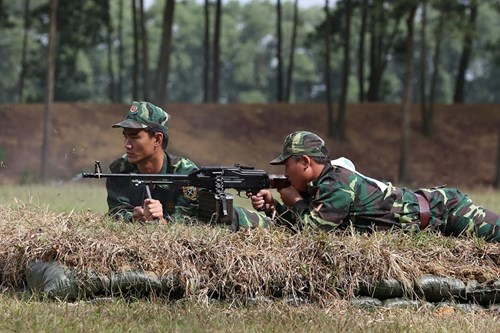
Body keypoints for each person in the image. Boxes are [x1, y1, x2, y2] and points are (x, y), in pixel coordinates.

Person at [249, 130, 500, 242]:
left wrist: (294, 200)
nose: (284, 173)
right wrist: (273, 208)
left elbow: (313, 231)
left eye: (287, 166)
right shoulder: (323, 184)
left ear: (304, 162)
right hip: (431, 219)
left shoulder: (337, 184)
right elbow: (307, 221)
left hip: (446, 212)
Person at [106, 101, 198, 223]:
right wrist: (133, 219)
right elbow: (116, 211)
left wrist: (162, 221)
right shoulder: (119, 169)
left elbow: (187, 220)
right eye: (125, 137)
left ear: (157, 139)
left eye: (134, 137)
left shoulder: (186, 173)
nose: (127, 145)